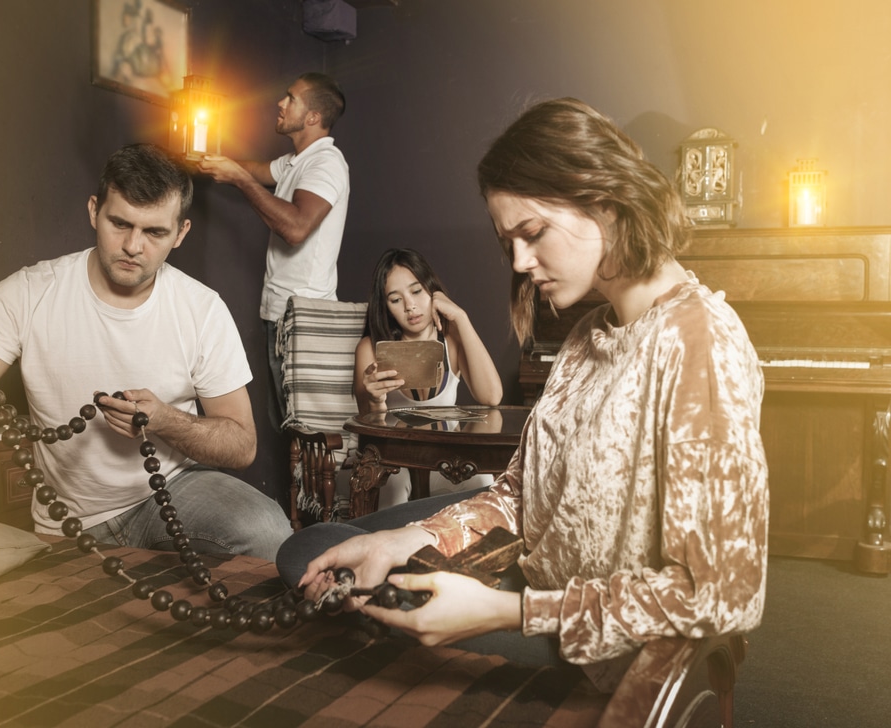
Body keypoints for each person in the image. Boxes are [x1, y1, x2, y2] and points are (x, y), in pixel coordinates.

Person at [276, 98, 769, 693]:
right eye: (508, 240)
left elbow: (716, 595)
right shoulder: (588, 337)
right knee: (316, 551)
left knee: (363, 604)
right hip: (528, 577)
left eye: (531, 233)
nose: (519, 261)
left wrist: (500, 613)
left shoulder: (699, 343)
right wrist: (403, 540)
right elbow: (518, 496)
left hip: (593, 638)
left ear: (605, 200)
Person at [0, 143, 292, 560]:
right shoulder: (26, 294)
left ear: (180, 233)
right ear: (94, 211)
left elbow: (241, 445)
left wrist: (165, 420)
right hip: (70, 518)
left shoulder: (202, 309)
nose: (132, 246)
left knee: (268, 531)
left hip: (172, 490)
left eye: (154, 232)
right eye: (119, 223)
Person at [197, 72, 349, 428]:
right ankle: (299, 487)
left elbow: (295, 228)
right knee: (286, 423)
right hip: (281, 314)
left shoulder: (326, 163)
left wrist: (237, 178)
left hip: (303, 319)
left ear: (312, 117)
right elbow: (257, 171)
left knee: (306, 429)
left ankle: (310, 488)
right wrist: (204, 159)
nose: (280, 103)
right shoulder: (297, 161)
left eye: (290, 98)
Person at [351, 247, 503, 507]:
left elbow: (492, 397)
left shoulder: (453, 341)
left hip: (446, 461)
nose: (410, 306)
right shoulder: (371, 348)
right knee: (393, 488)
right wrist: (375, 401)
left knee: (483, 484)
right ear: (385, 307)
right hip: (395, 461)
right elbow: (370, 435)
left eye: (417, 291)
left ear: (432, 290)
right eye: (395, 299)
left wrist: (461, 318)